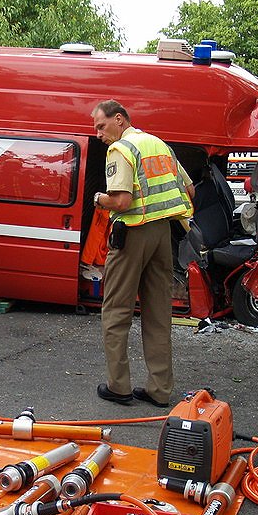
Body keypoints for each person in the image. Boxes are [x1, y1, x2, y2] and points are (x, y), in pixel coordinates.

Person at [90, 100, 193, 408]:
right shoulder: (159, 145)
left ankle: (118, 386)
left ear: (119, 119)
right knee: (159, 313)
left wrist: (98, 198)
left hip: (132, 233)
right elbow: (190, 191)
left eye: (101, 126)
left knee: (116, 311)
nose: (98, 134)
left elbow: (121, 201)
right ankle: (160, 390)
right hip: (163, 235)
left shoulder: (120, 150)